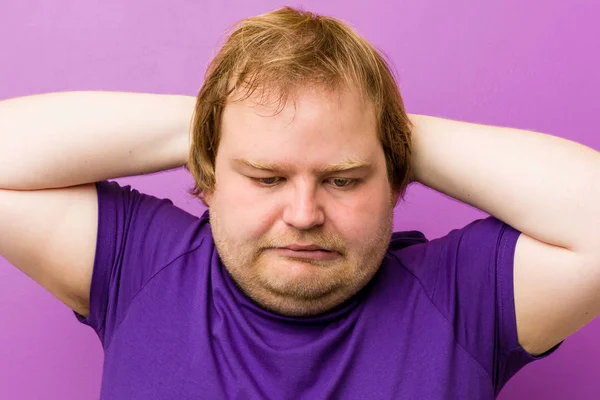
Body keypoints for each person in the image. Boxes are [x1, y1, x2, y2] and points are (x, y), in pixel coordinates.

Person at [1, 6, 599, 400]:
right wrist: (227, 116)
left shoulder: (463, 298)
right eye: (265, 176)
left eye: (343, 179)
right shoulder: (139, 264)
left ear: (395, 179)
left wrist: (379, 127)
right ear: (207, 174)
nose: (304, 214)